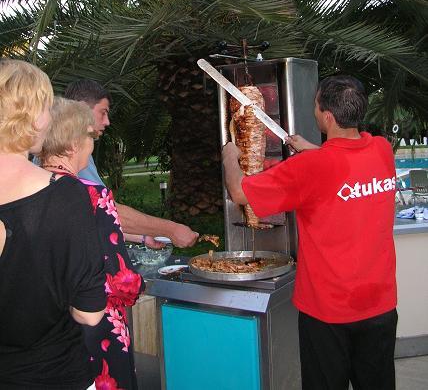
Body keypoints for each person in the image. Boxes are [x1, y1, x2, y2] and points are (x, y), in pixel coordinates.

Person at [222, 75, 397, 390]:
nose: (314, 109)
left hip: (328, 312)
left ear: (327, 116)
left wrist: (229, 156)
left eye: (316, 104)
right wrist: (311, 149)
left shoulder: (309, 168)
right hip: (380, 305)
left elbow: (239, 192)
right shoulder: (382, 150)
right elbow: (346, 164)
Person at [0, 60, 106, 390]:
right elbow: (89, 312)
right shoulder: (64, 195)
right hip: (53, 374)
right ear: (32, 117)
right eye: (46, 107)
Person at [38, 97, 144, 390]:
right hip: (95, 329)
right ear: (73, 144)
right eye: (89, 136)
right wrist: (139, 284)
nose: (92, 144)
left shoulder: (24, 191)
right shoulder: (94, 195)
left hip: (44, 333)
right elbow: (120, 278)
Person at [64, 79, 199, 248]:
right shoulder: (70, 151)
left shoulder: (69, 148)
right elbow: (107, 210)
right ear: (82, 109)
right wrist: (171, 229)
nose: (107, 122)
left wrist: (142, 237)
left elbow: (92, 215)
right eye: (103, 113)